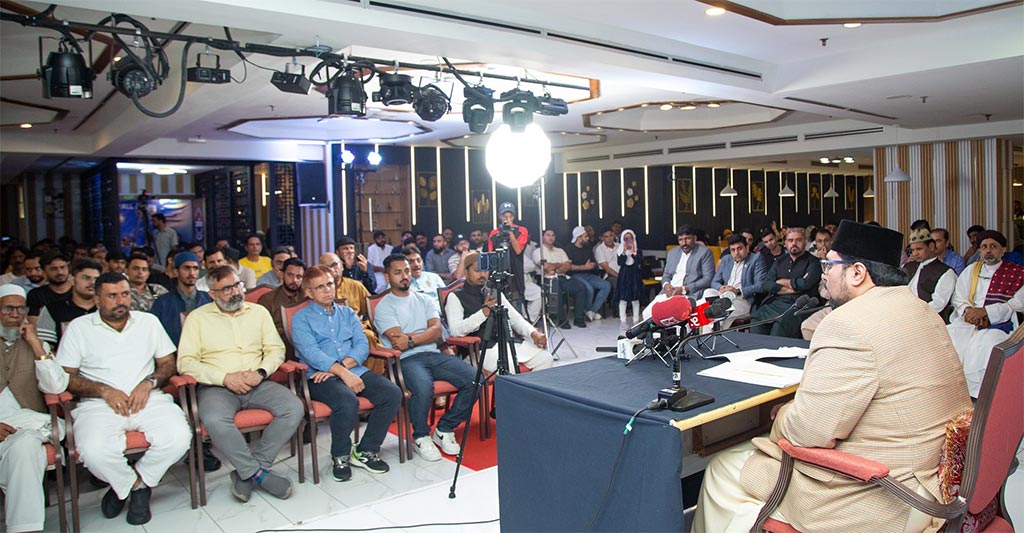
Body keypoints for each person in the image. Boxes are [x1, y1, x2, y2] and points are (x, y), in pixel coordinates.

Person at [695, 220, 972, 533]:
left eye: (829, 264)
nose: (823, 272)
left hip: (886, 498)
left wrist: (785, 413)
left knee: (721, 468)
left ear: (857, 273)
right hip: (934, 482)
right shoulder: (922, 310)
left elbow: (805, 433)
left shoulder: (849, 323)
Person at [56, 272, 192, 525]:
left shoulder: (148, 322)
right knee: (93, 451)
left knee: (179, 438)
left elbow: (168, 363)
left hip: (148, 398)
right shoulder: (79, 328)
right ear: (97, 300)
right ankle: (135, 487)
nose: (121, 301)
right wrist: (103, 391)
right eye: (112, 296)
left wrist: (149, 383)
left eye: (125, 294)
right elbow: (66, 376)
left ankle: (129, 485)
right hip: (99, 404)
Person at [177, 265, 302, 502]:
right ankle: (257, 474)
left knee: (294, 408)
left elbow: (276, 349)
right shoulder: (197, 319)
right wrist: (224, 378)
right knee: (214, 419)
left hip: (258, 381)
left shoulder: (258, 312)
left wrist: (261, 372)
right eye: (227, 289)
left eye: (237, 285)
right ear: (212, 294)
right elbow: (186, 362)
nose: (235, 292)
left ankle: (249, 471)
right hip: (217, 387)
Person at [290, 265, 402, 481]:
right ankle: (340, 455)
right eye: (320, 287)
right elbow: (311, 353)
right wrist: (341, 372)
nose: (327, 290)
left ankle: (366, 450)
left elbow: (362, 344)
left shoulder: (347, 312)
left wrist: (342, 369)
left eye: (330, 284)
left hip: (347, 370)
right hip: (318, 377)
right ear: (309, 292)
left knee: (392, 393)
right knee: (347, 401)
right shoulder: (300, 318)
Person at [372, 254, 476, 461]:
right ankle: (421, 436)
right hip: (405, 360)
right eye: (398, 272)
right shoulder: (384, 306)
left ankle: (444, 428)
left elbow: (437, 332)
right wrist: (423, 335)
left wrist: (411, 338)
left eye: (407, 271)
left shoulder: (425, 299)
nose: (404, 276)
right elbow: (398, 341)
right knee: (423, 387)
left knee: (476, 379)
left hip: (433, 354)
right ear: (387, 277)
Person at [0, 284, 69, 533]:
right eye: (8, 308)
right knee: (35, 439)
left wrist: (36, 344)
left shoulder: (37, 344)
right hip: (15, 426)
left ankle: (24, 529)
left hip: (22, 431)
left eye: (21, 309)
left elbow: (57, 385)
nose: (15, 314)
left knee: (26, 444)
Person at [946, 230, 1024, 397]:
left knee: (987, 346)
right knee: (948, 337)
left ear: (1003, 250)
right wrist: (968, 311)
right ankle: (953, 392)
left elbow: (1017, 304)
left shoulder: (1018, 273)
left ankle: (980, 395)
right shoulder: (971, 270)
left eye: (993, 246)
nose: (988, 250)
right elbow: (959, 297)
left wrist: (986, 312)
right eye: (984, 247)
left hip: (999, 324)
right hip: (968, 322)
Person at [445, 253, 553, 372]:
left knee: (545, 358)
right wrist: (483, 313)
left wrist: (533, 333)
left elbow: (515, 318)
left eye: (485, 271)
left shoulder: (494, 293)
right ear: (466, 272)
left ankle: (529, 385)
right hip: (480, 350)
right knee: (509, 367)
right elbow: (456, 331)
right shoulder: (455, 297)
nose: (482, 275)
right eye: (477, 270)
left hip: (505, 344)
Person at [749, 228, 823, 338]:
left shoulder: (813, 262)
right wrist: (795, 287)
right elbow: (767, 284)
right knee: (756, 320)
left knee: (780, 325)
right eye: (790, 240)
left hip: (800, 304)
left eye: (798, 240)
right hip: (777, 302)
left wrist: (781, 282)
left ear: (805, 242)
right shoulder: (779, 261)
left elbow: (806, 284)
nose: (794, 243)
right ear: (785, 243)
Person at [643, 225, 714, 319]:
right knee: (647, 314)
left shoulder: (704, 253)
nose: (684, 243)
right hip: (668, 293)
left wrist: (684, 289)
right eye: (681, 240)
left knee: (672, 316)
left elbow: (708, 279)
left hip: (689, 294)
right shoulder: (672, 253)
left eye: (687, 238)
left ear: (695, 238)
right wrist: (666, 286)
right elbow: (666, 275)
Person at [704, 234, 768, 329]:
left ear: (747, 248)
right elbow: (714, 282)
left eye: (739, 248)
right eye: (733, 250)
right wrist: (721, 287)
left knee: (717, 314)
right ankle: (711, 328)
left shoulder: (756, 259)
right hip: (723, 295)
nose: (736, 253)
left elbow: (761, 285)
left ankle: (712, 332)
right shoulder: (726, 259)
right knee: (708, 292)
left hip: (742, 299)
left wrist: (737, 291)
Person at [36, 258, 100, 347]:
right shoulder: (52, 309)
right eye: (86, 278)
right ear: (72, 280)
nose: (92, 282)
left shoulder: (107, 309)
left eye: (96, 279)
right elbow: (44, 346)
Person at [533, 229, 589, 328]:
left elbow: (568, 266)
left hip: (562, 277)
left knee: (581, 287)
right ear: (543, 237)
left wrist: (554, 267)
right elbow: (546, 267)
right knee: (556, 290)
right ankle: (562, 320)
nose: (550, 237)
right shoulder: (538, 251)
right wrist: (559, 264)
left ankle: (579, 318)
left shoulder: (560, 250)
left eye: (553, 235)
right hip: (546, 279)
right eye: (548, 235)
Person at [257, 258, 308, 360]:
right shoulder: (268, 299)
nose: (294, 280)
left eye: (299, 277)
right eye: (290, 275)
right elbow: (260, 331)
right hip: (279, 349)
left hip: (307, 347)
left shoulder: (308, 297)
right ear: (282, 274)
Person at [903, 228, 956, 320]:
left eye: (919, 249)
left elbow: (938, 303)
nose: (915, 253)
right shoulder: (907, 266)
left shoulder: (946, 272)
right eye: (913, 250)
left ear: (931, 246)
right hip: (903, 315)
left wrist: (913, 314)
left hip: (929, 320)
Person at [488, 202, 529, 311]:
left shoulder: (522, 230)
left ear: (514, 217)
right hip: (498, 275)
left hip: (515, 276)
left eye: (510, 216)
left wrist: (510, 232)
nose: (507, 219)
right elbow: (491, 254)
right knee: (497, 307)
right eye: (504, 216)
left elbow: (518, 250)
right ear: (499, 216)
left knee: (516, 308)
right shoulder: (494, 233)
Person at [565, 226, 611, 321]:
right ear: (579, 238)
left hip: (589, 275)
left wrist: (592, 265)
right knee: (589, 288)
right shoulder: (569, 249)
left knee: (606, 285)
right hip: (575, 275)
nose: (587, 238)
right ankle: (587, 310)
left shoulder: (587, 248)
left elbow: (594, 262)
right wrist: (584, 267)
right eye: (585, 236)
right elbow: (568, 267)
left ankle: (592, 311)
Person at [26, 250, 72, 323]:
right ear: (44, 271)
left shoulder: (79, 292)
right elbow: (33, 323)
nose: (60, 272)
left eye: (62, 267)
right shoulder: (35, 295)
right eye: (54, 269)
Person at [614, 229, 643, 329]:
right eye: (626, 239)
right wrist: (624, 252)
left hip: (635, 275)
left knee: (635, 299)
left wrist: (634, 252)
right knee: (623, 299)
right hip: (624, 275)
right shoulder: (620, 251)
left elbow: (639, 261)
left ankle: (636, 320)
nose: (628, 241)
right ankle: (623, 320)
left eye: (630, 239)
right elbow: (620, 263)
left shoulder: (638, 250)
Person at [404, 247, 446, 314]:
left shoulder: (434, 277)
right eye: (411, 262)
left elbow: (447, 298)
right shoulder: (400, 283)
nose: (416, 264)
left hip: (441, 315)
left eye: (418, 260)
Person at [593, 228, 619, 298]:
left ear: (613, 235)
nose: (609, 239)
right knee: (618, 283)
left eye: (610, 236)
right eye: (606, 237)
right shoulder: (599, 250)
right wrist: (620, 276)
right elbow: (607, 269)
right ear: (602, 238)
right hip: (610, 276)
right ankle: (617, 304)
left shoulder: (620, 246)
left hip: (624, 273)